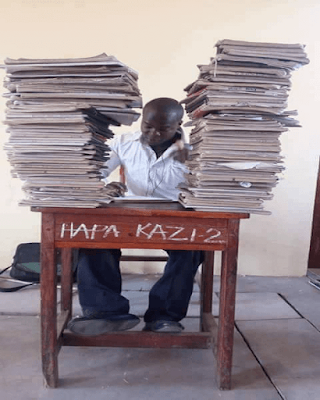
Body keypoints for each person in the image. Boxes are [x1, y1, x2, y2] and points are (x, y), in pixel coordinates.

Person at [68, 97, 204, 336]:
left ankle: (164, 317)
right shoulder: (124, 142)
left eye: (164, 129)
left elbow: (207, 186)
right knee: (91, 239)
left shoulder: (194, 150)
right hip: (130, 215)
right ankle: (107, 313)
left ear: (179, 124)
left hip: (177, 218)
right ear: (142, 120)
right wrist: (100, 188)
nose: (154, 133)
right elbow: (92, 172)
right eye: (148, 126)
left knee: (191, 249)